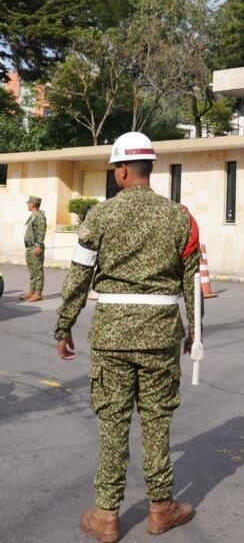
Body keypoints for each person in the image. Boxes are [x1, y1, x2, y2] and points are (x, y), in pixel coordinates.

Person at [55, 132, 199, 543]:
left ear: (121, 170)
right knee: (156, 420)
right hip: (160, 336)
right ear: (148, 168)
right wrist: (194, 334)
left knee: (113, 422)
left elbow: (79, 276)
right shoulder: (179, 217)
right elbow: (193, 285)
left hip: (111, 337)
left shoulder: (100, 216)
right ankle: (160, 509)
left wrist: (64, 325)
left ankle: (106, 515)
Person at [21, 195, 46, 302]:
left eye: (29, 203)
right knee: (32, 271)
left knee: (38, 271)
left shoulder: (40, 216)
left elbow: (41, 232)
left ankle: (38, 293)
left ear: (33, 204)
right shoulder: (33, 216)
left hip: (36, 247)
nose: (28, 205)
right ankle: (32, 291)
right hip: (30, 247)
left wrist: (39, 245)